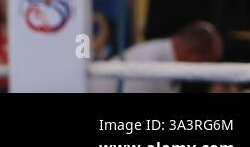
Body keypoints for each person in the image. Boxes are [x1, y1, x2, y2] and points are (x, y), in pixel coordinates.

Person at [92, 20, 224, 93]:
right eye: (205, 63)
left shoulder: (170, 66)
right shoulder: (150, 63)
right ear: (193, 54)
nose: (203, 70)